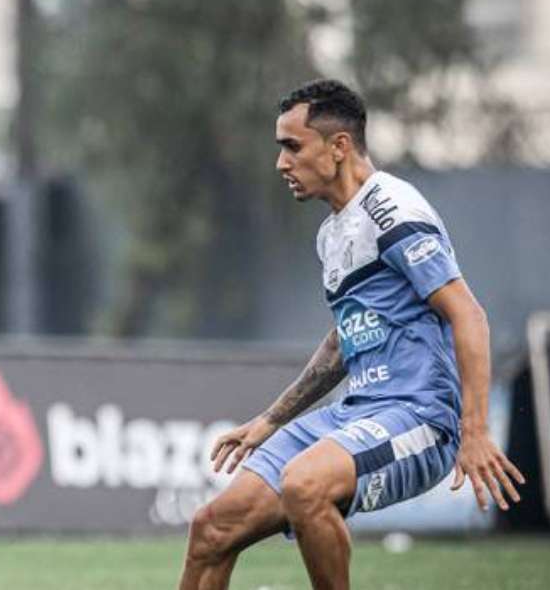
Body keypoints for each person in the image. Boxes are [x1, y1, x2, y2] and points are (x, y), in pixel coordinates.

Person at [177, 79, 524, 590]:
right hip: (356, 413)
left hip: (418, 415)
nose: (281, 163)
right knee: (211, 528)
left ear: (338, 147)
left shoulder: (393, 211)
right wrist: (271, 420)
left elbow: (468, 315)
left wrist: (474, 433)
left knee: (304, 484)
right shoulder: (333, 232)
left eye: (291, 146)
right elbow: (344, 340)